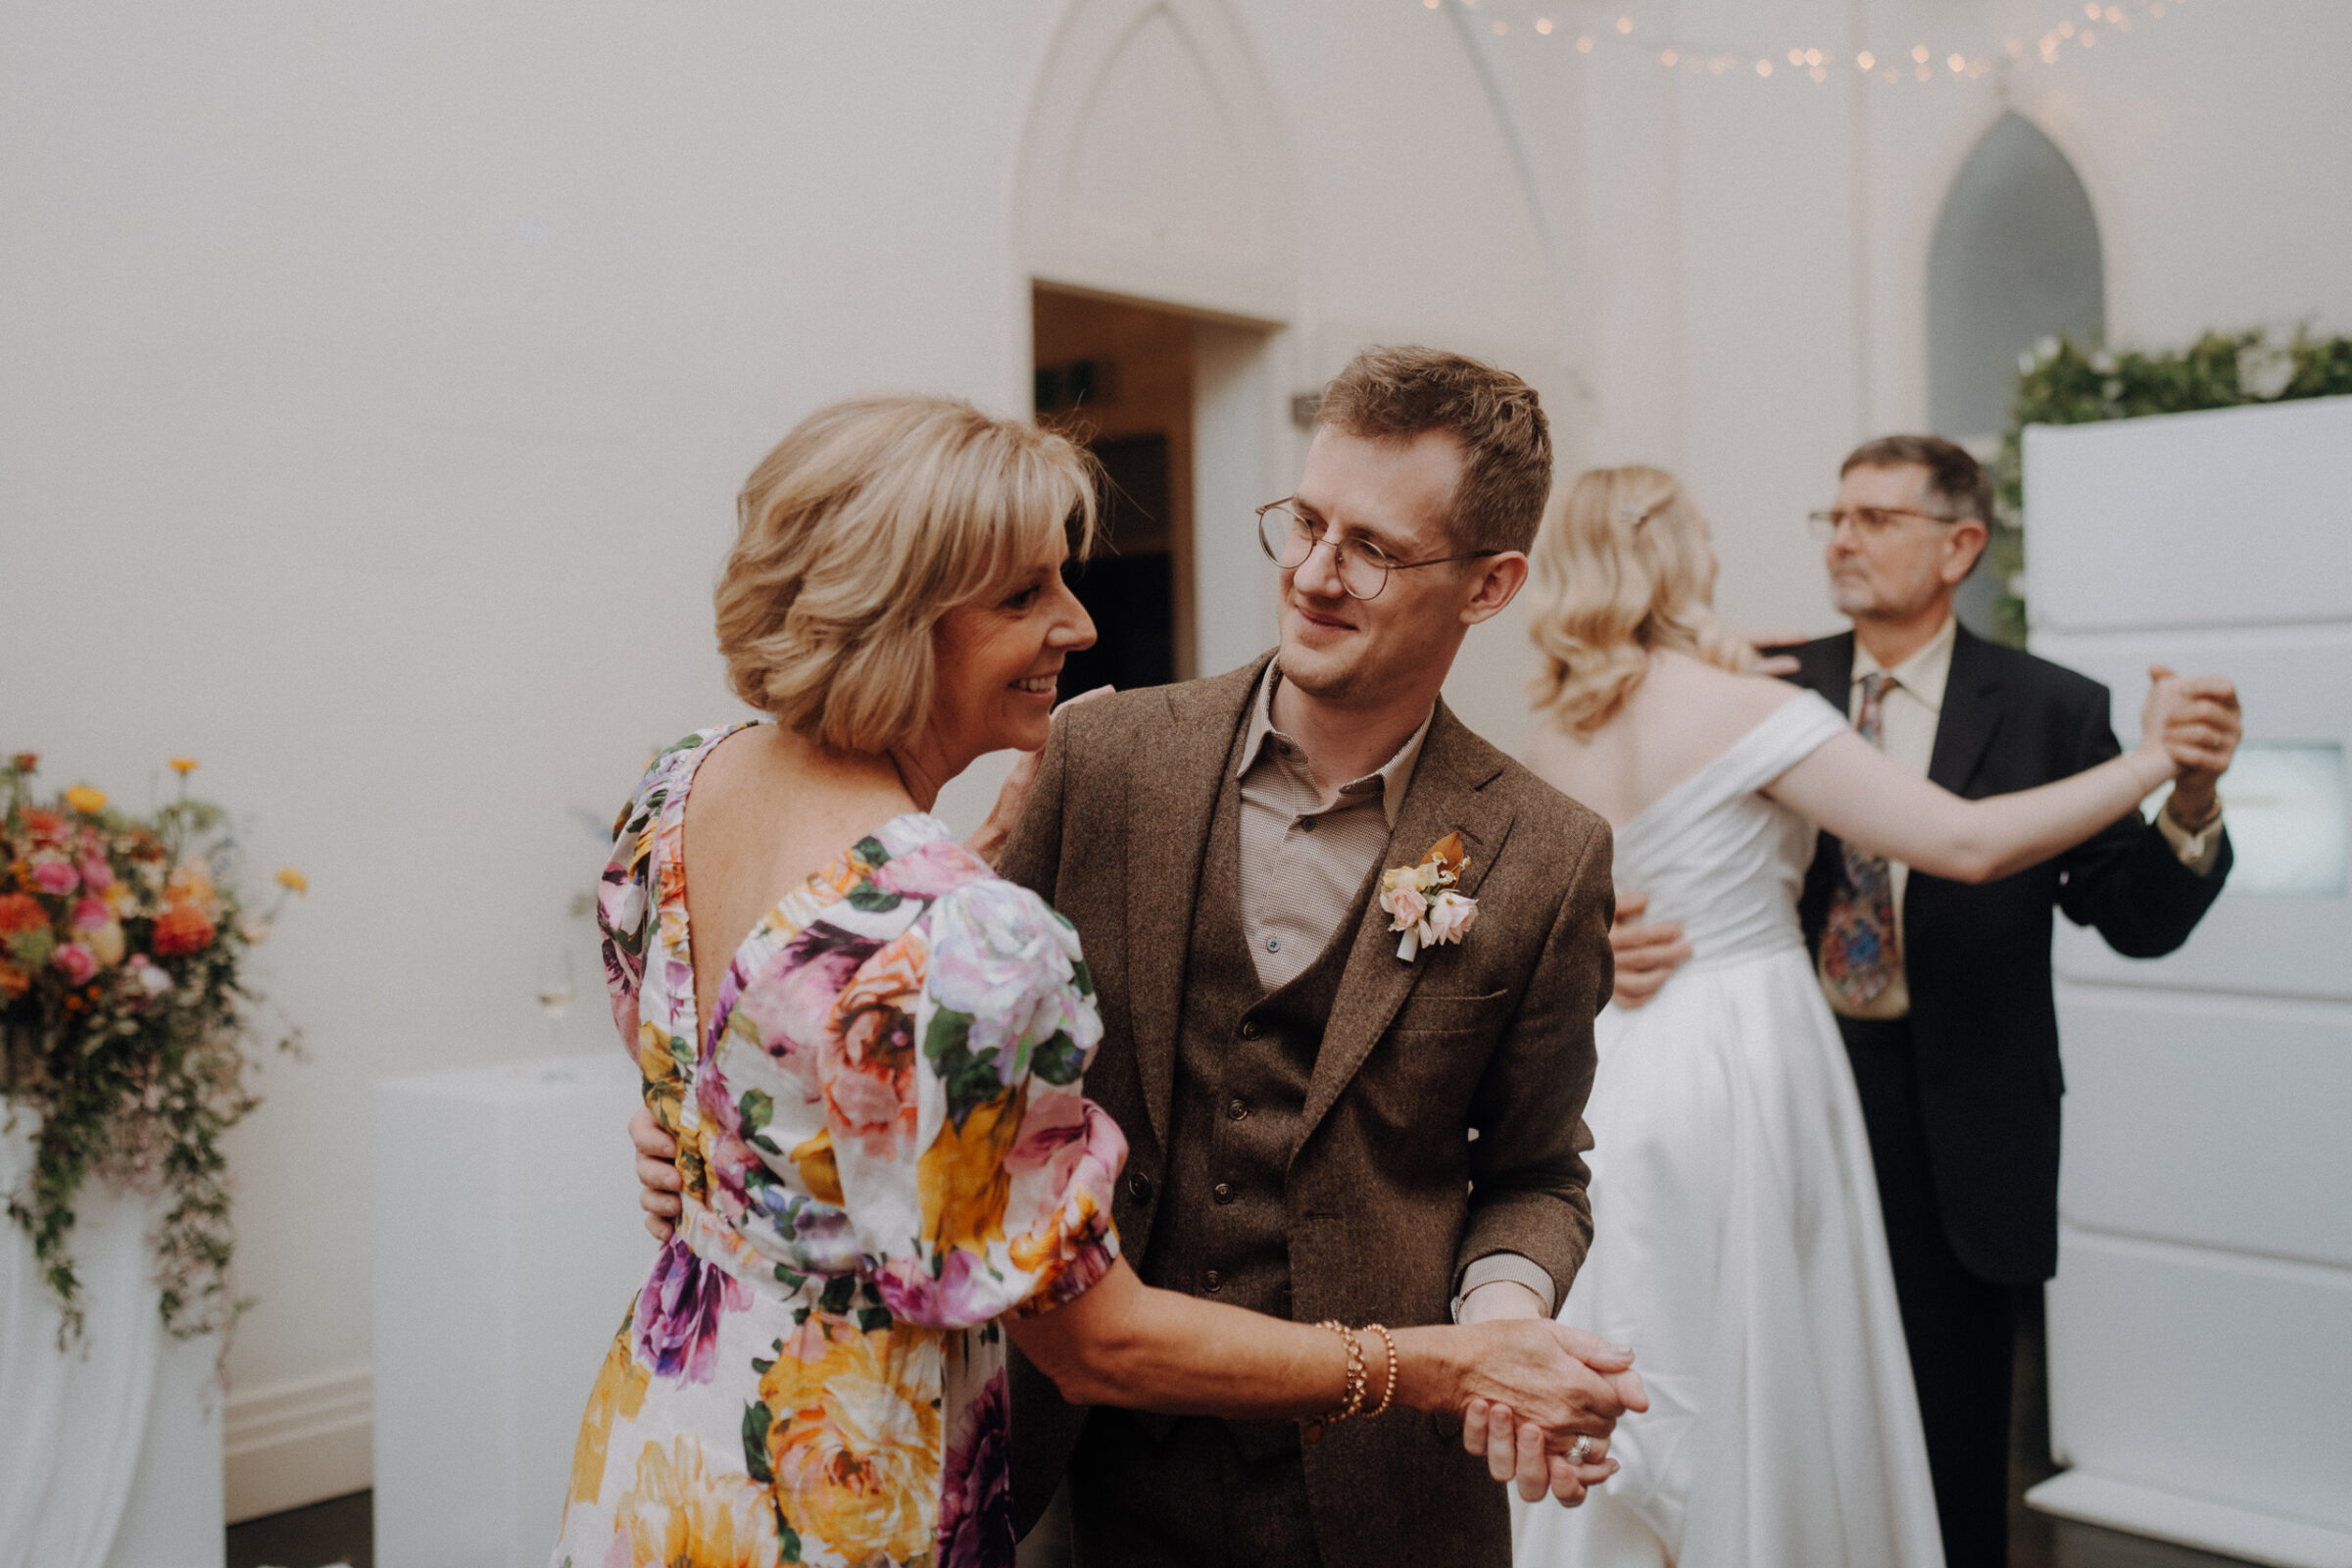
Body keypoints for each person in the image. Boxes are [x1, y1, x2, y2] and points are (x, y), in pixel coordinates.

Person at [560, 393, 1632, 1568]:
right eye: (1306, 522)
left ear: (1489, 585)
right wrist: (1434, 1364)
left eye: (1372, 548)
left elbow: (1534, 1164)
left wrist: (1502, 1331)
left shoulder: (679, 791)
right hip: (1007, 1471)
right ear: (900, 615)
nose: (1316, 572)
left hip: (680, 1455)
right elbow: (915, 1011)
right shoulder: (1090, 770)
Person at [1508, 464, 2229, 1568]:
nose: (1831, 540)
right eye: (1707, 533)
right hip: (1755, 1069)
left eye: (1872, 517)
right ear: (1665, 552)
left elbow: (1535, 899)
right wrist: (2152, 756)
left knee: (1657, 1351)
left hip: (1644, 1081)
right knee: (1756, 1369)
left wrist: (2181, 805)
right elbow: (1967, 842)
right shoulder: (1764, 698)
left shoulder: (1560, 717)